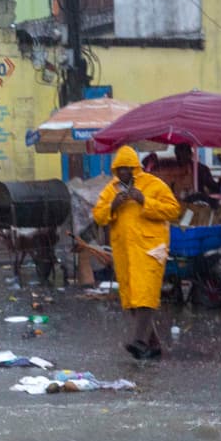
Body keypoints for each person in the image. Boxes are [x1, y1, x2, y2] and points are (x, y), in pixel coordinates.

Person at [92, 146, 181, 359]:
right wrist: (112, 206)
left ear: (135, 168)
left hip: (151, 249)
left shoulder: (153, 184)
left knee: (145, 295)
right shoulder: (111, 190)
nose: (123, 172)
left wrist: (144, 201)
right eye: (120, 169)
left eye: (127, 168)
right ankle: (154, 345)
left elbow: (173, 210)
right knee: (132, 298)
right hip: (125, 251)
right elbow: (98, 216)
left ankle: (139, 340)